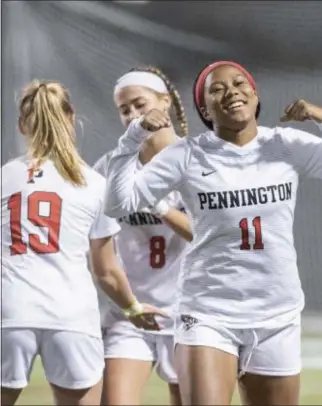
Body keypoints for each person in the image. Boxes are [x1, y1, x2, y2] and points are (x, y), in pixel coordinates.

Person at [103, 61, 322, 406]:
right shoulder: (187, 154)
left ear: (255, 94)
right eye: (217, 89)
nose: (232, 92)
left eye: (240, 83)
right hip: (208, 311)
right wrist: (133, 137)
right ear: (203, 108)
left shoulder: (284, 144)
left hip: (276, 314)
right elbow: (119, 204)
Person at [1, 80, 167, 406]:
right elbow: (105, 270)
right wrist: (132, 308)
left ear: (22, 125)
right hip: (71, 315)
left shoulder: (4, 176)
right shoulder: (92, 182)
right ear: (71, 116)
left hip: (8, 312)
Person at [94, 66, 191, 406]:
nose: (133, 115)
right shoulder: (110, 167)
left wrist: (160, 207)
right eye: (125, 110)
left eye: (139, 104)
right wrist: (127, 303)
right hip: (130, 312)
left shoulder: (198, 159)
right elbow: (96, 242)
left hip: (190, 313)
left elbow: (209, 233)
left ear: (164, 102)